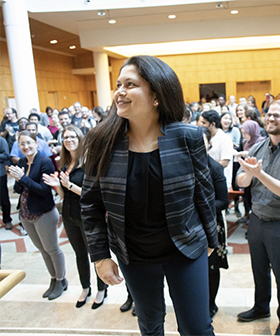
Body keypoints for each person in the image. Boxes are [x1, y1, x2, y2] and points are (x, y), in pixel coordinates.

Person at [81, 55, 217, 336]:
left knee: (197, 328)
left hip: (185, 248)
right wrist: (100, 256)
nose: (120, 91)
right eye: (119, 84)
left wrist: (211, 240)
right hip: (135, 253)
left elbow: (204, 192)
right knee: (151, 325)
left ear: (156, 94)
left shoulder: (188, 136)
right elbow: (91, 205)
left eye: (130, 84)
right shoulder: (101, 141)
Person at [236, 100, 280, 336]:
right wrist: (247, 176)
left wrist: (259, 174)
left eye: (277, 115)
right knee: (258, 269)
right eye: (268, 114)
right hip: (257, 220)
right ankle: (261, 307)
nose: (271, 118)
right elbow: (241, 180)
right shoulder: (259, 146)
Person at [43, 125, 108, 309]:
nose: (69, 140)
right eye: (65, 138)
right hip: (69, 214)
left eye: (73, 137)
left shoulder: (89, 163)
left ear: (80, 139)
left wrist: (69, 185)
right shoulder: (64, 163)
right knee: (79, 254)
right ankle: (85, 288)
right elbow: (63, 196)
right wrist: (58, 185)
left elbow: (92, 194)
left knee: (95, 255)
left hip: (87, 215)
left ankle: (102, 289)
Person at [9, 131, 67, 300]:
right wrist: (18, 179)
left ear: (36, 143)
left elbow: (43, 191)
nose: (26, 147)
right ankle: (53, 278)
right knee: (42, 250)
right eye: (22, 144)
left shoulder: (45, 162)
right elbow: (19, 190)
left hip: (44, 212)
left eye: (29, 143)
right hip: (26, 213)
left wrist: (22, 178)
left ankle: (61, 280)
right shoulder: (21, 161)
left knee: (52, 248)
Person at [201, 127, 228, 319]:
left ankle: (211, 303)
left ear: (208, 144)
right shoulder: (185, 165)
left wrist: (200, 207)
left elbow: (223, 201)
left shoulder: (215, 168)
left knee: (211, 267)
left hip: (211, 225)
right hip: (190, 225)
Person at [200, 110, 233, 189]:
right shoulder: (204, 137)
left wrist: (207, 170)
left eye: (204, 123)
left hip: (220, 181)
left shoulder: (225, 139)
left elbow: (225, 162)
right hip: (207, 180)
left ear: (213, 124)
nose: (201, 125)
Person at [0, 136, 12, 230]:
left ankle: (7, 219)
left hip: (0, 174)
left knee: (4, 198)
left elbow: (6, 155)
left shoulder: (1, 140)